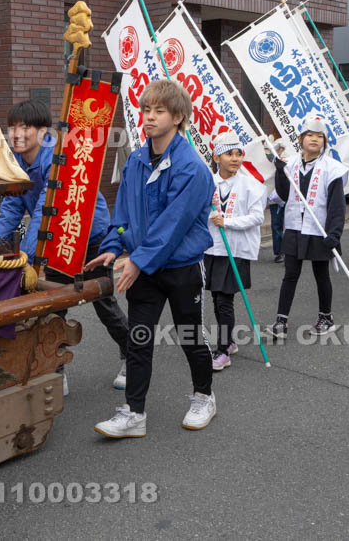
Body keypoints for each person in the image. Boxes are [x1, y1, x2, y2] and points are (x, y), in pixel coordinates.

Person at [86, 79, 216, 439]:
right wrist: (113, 245)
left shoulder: (192, 167)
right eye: (146, 109)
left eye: (159, 110)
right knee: (139, 338)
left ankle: (204, 396)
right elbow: (124, 212)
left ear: (178, 117)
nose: (149, 116)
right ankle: (134, 412)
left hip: (180, 268)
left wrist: (137, 260)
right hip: (144, 266)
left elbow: (173, 225)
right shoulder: (137, 161)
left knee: (190, 335)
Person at [0, 99, 129, 392]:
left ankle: (131, 355)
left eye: (24, 127)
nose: (16, 134)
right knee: (54, 304)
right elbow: (11, 207)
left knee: (102, 300)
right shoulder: (16, 163)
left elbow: (45, 211)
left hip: (90, 235)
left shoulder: (60, 156)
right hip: (58, 238)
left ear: (43, 132)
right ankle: (56, 367)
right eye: (12, 127)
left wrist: (27, 257)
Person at [270, 116, 348, 339]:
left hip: (319, 228)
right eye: (310, 135)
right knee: (290, 274)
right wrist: (279, 171)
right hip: (295, 227)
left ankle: (326, 316)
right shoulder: (291, 163)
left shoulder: (332, 168)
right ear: (300, 139)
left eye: (319, 136)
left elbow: (337, 206)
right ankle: (281, 320)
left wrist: (335, 233)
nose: (314, 139)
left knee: (321, 274)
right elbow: (284, 195)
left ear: (324, 140)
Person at [204, 131, 266, 371]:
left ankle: (223, 350)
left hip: (236, 249)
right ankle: (227, 341)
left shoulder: (252, 185)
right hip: (213, 248)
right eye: (229, 154)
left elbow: (257, 217)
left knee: (225, 299)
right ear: (216, 157)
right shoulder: (208, 182)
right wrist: (209, 214)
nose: (235, 158)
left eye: (238, 154)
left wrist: (227, 222)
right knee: (217, 298)